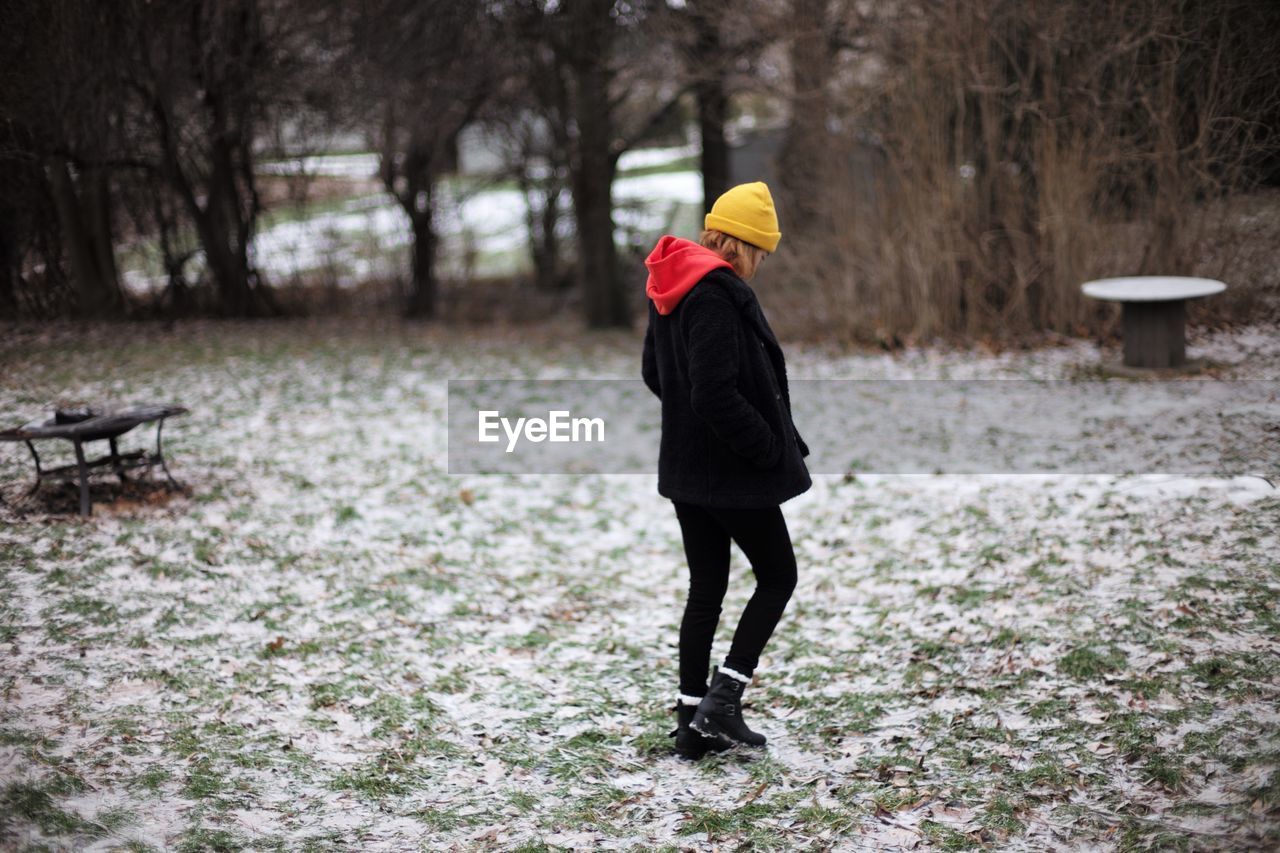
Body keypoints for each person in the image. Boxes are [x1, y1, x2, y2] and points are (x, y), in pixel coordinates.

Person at [641, 181, 811, 759]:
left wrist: (691, 427)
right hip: (729, 471)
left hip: (688, 469)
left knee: (707, 588)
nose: (761, 265)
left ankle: (692, 723)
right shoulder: (714, 294)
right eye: (762, 252)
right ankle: (724, 700)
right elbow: (713, 393)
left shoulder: (673, 285)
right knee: (779, 575)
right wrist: (765, 446)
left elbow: (655, 374)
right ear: (744, 245)